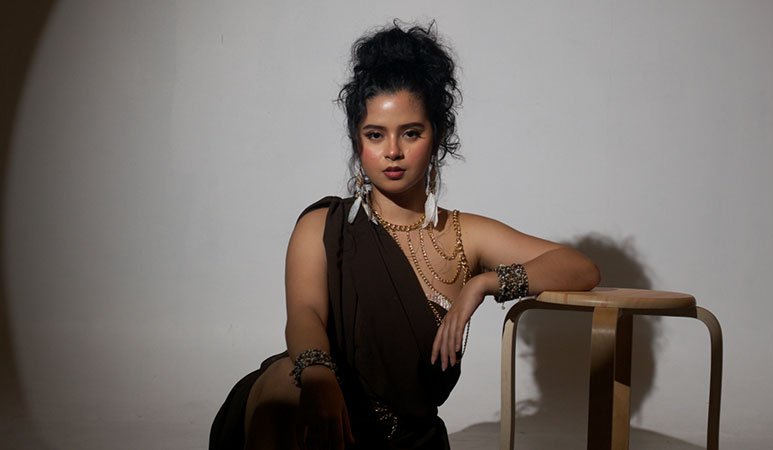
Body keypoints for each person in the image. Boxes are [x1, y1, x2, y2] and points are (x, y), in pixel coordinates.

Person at [210, 22, 600, 450]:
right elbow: (305, 313)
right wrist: (318, 375)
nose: (392, 151)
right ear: (357, 142)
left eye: (411, 133)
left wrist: (484, 284)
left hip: (409, 436)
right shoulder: (323, 225)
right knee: (286, 383)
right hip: (318, 408)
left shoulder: (464, 233)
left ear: (437, 138)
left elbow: (580, 268)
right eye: (375, 135)